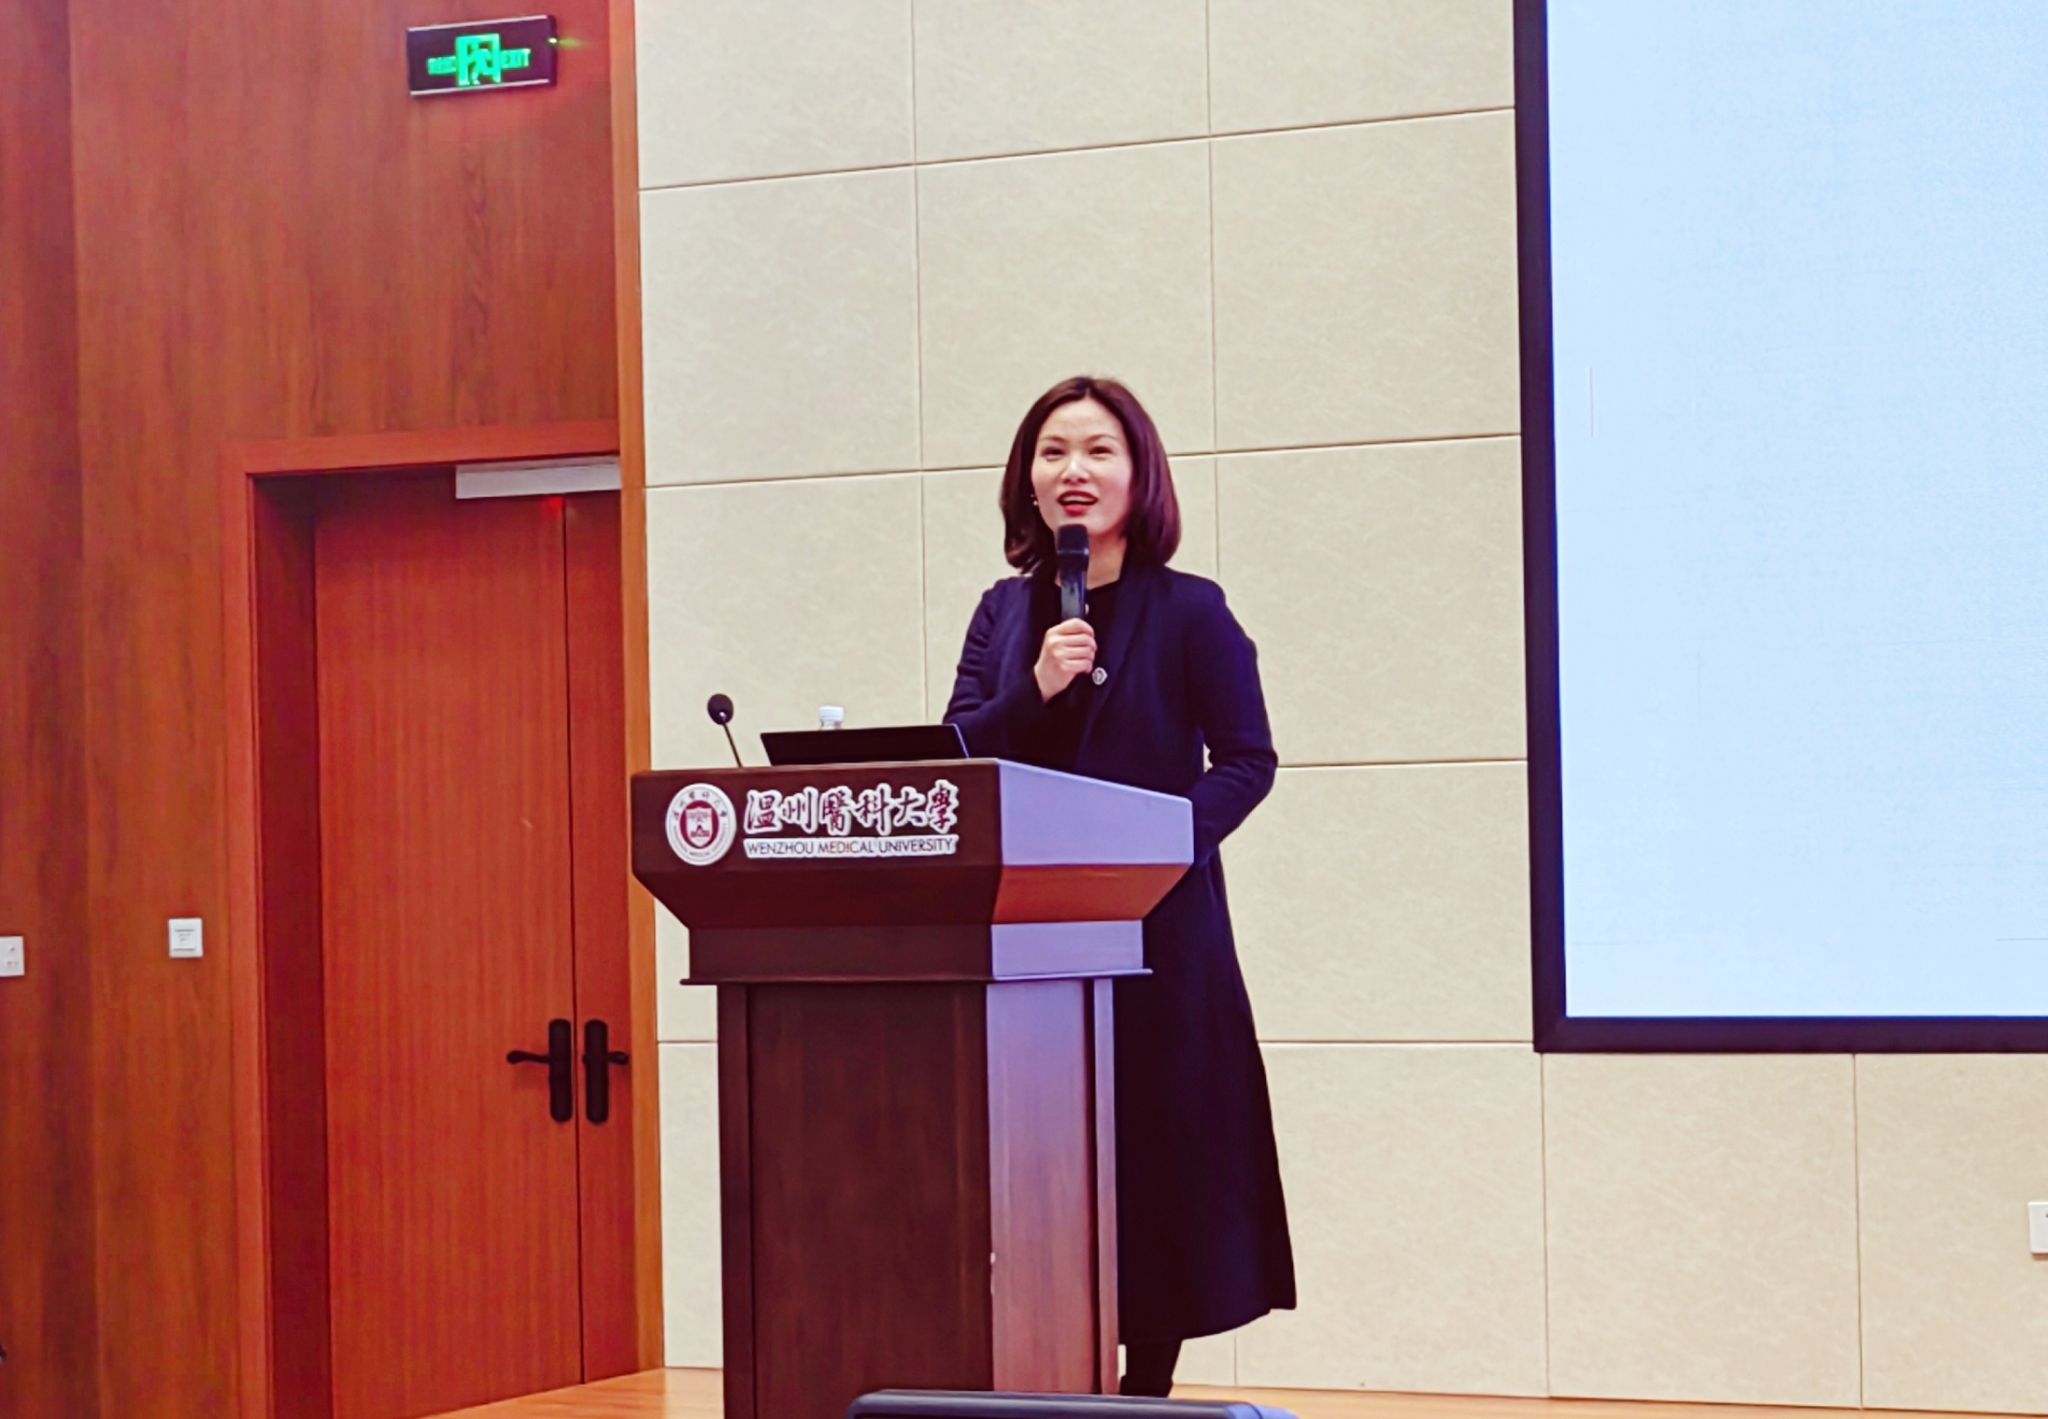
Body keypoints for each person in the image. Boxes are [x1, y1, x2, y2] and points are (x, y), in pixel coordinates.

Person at [944, 375, 1296, 1397]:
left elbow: (1247, 759)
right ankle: (1045, 1370)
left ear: (1139, 475)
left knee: (1155, 1145)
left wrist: (1153, 847)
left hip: (1158, 929)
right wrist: (1036, 687)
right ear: (1027, 478)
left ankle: (1146, 1389)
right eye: (1052, 451)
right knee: (1039, 1153)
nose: (1074, 470)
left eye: (1098, 450)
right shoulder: (1002, 612)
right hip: (1025, 933)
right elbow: (958, 750)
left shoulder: (1190, 610)